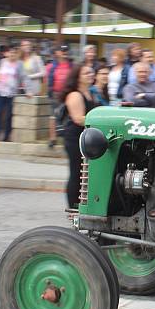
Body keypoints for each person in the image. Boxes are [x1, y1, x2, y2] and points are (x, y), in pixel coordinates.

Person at [61, 65, 96, 208]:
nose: (90, 74)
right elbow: (78, 118)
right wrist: (99, 119)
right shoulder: (75, 95)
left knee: (85, 172)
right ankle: (73, 206)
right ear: (78, 77)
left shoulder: (90, 93)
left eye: (91, 71)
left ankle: (82, 203)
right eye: (86, 72)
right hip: (75, 137)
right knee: (77, 172)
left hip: (86, 137)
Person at [0, 46, 22, 142]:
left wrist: (29, 90)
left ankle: (7, 135)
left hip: (11, 92)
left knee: (9, 115)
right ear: (7, 53)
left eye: (14, 53)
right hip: (0, 90)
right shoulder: (2, 62)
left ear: (17, 54)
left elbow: (24, 77)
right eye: (10, 52)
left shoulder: (19, 64)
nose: (12, 55)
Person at [47, 45, 73, 147]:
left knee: (67, 116)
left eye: (66, 50)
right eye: (62, 50)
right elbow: (49, 81)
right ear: (57, 53)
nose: (64, 52)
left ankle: (66, 137)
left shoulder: (71, 65)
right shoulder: (52, 66)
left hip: (68, 94)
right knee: (53, 116)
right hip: (56, 93)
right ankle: (52, 139)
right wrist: (50, 92)